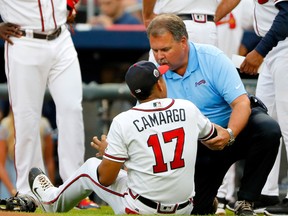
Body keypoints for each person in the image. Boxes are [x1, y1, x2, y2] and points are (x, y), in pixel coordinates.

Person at [28, 60, 223, 214]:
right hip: (185, 208)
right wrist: (229, 134)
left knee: (90, 168)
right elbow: (216, 138)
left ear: (132, 92)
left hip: (142, 209)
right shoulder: (187, 108)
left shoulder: (125, 120)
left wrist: (109, 155)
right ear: (160, 85)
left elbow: (105, 179)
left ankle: (51, 200)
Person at [146, 14, 281, 215]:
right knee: (196, 210)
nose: (159, 57)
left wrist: (230, 133)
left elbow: (241, 103)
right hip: (196, 146)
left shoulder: (212, 57)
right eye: (155, 50)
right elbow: (145, 121)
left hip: (232, 131)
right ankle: (207, 202)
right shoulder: (154, 74)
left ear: (183, 42)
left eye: (165, 49)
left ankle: (246, 200)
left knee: (268, 129)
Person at [0, 0, 98, 209]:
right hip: (24, 39)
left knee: (72, 109)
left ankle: (75, 189)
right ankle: (29, 193)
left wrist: (70, 5)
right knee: (27, 119)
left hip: (61, 37)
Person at [238, 0, 288, 215]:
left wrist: (259, 50)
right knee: (267, 124)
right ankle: (266, 191)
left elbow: (287, 15)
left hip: (284, 46)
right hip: (274, 48)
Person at [0, 110, 55, 199]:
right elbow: (0, 164)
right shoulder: (5, 126)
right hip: (10, 184)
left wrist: (51, 191)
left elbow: (49, 160)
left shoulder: (44, 125)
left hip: (39, 182)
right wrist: (13, 191)